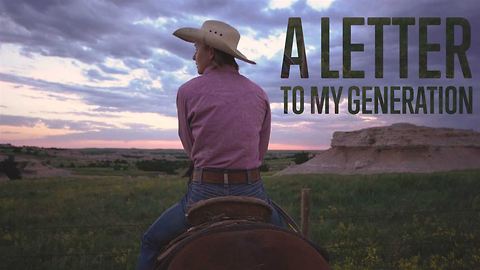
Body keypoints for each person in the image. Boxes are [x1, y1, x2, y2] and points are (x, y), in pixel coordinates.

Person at [135, 20, 286, 270]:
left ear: (211, 52)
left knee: (150, 242)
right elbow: (260, 150)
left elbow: (189, 146)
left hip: (204, 192)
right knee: (293, 240)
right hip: (251, 190)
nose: (194, 56)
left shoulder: (187, 91)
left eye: (197, 48)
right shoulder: (259, 93)